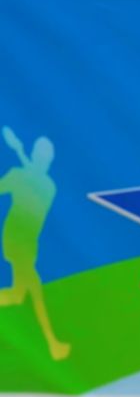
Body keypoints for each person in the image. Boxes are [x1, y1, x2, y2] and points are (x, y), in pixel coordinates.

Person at [0, 127, 66, 362]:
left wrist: (22, 174)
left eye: (48, 157)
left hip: (29, 245)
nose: (45, 160)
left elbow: (33, 189)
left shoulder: (46, 186)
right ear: (36, 156)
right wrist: (19, 176)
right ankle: (53, 344)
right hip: (15, 242)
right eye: (42, 155)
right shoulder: (25, 177)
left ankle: (54, 345)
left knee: (18, 296)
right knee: (36, 291)